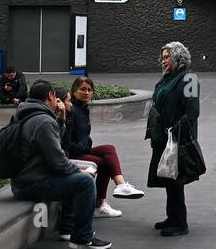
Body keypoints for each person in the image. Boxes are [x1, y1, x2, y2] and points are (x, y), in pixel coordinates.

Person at [9, 80, 111, 249]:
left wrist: (61, 119)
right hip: (31, 184)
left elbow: (56, 146)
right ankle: (81, 238)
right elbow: (58, 159)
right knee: (84, 182)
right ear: (50, 95)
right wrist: (80, 170)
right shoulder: (43, 120)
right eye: (55, 97)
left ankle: (70, 229)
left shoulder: (27, 114)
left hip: (24, 180)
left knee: (74, 176)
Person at [63, 76, 144, 218]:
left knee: (109, 149)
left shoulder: (83, 108)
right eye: (83, 89)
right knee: (103, 162)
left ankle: (120, 185)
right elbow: (66, 141)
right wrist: (84, 144)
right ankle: (100, 204)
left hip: (82, 149)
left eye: (89, 90)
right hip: (72, 153)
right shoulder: (72, 110)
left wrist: (85, 143)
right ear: (74, 91)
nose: (87, 92)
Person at [146, 41, 201, 237]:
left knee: (175, 178)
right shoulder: (168, 78)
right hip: (164, 136)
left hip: (178, 138)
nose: (163, 60)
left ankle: (180, 223)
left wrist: (175, 130)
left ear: (178, 57)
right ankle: (172, 217)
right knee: (169, 177)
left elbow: (193, 111)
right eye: (163, 57)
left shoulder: (189, 79)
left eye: (167, 56)